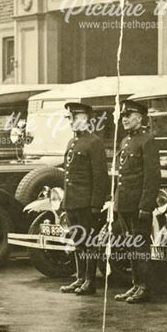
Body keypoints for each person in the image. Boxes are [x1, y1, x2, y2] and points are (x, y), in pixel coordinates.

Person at [112, 99, 160, 304]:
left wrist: (145, 205)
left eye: (128, 116)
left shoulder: (147, 140)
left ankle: (145, 286)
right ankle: (135, 284)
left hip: (138, 205)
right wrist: (116, 203)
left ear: (139, 118)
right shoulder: (125, 141)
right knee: (130, 246)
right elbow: (122, 176)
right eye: (123, 116)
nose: (124, 119)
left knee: (140, 247)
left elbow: (152, 177)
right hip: (124, 203)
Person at [59, 102, 108, 296]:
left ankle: (89, 280)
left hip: (86, 203)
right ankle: (80, 277)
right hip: (72, 201)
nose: (71, 122)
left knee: (89, 241)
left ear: (85, 120)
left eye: (74, 118)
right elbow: (68, 174)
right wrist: (65, 201)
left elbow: (100, 176)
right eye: (70, 118)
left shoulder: (94, 143)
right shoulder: (72, 143)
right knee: (78, 241)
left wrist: (96, 204)